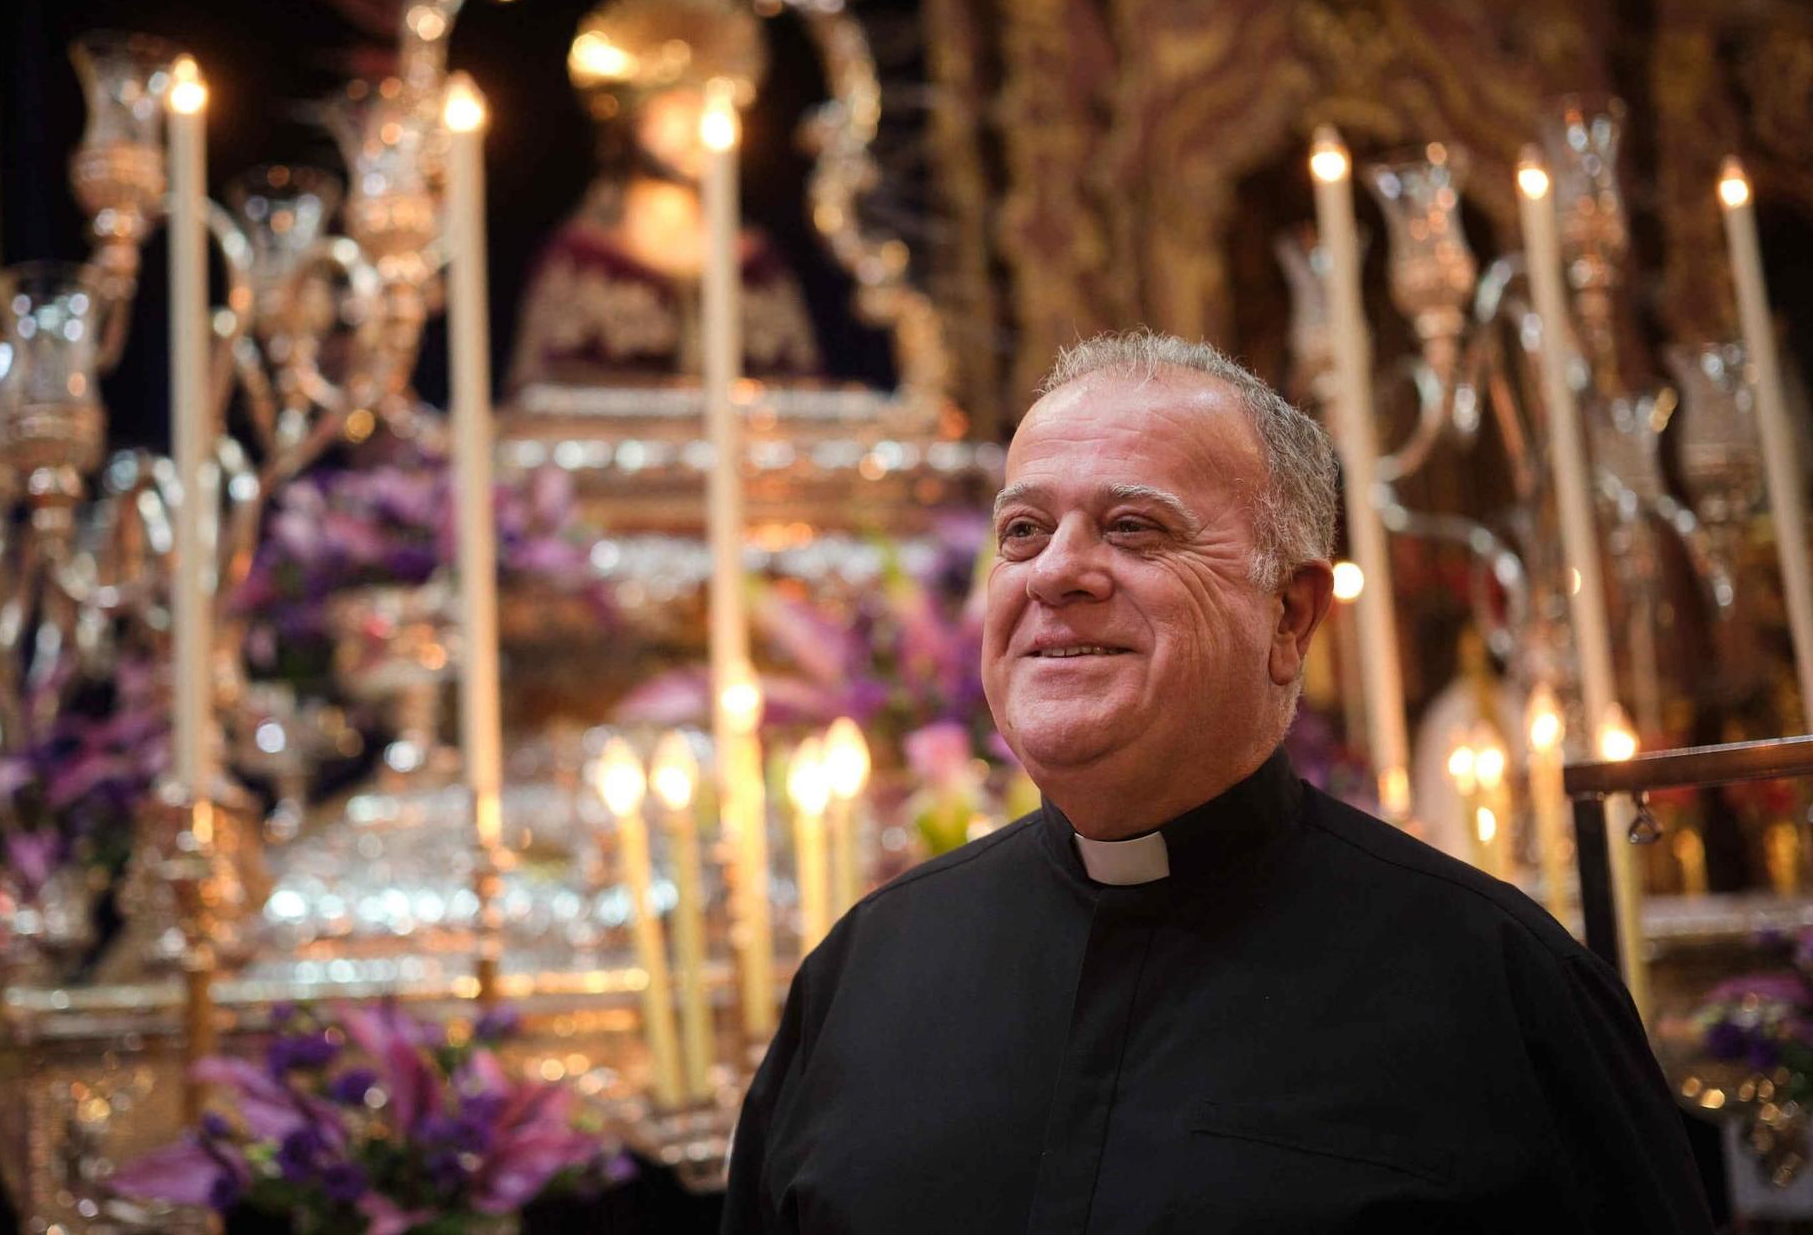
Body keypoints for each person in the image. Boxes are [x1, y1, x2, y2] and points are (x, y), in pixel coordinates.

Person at [722, 330, 1710, 1232]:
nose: (1055, 571)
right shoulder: (866, 973)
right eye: (1021, 530)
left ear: (1287, 615)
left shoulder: (1496, 988)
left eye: (1133, 527)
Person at [508, 0, 819, 391]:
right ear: (633, 122)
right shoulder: (582, 260)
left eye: (704, 108)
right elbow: (540, 394)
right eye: (673, 109)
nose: (692, 128)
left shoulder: (757, 265)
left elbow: (802, 391)